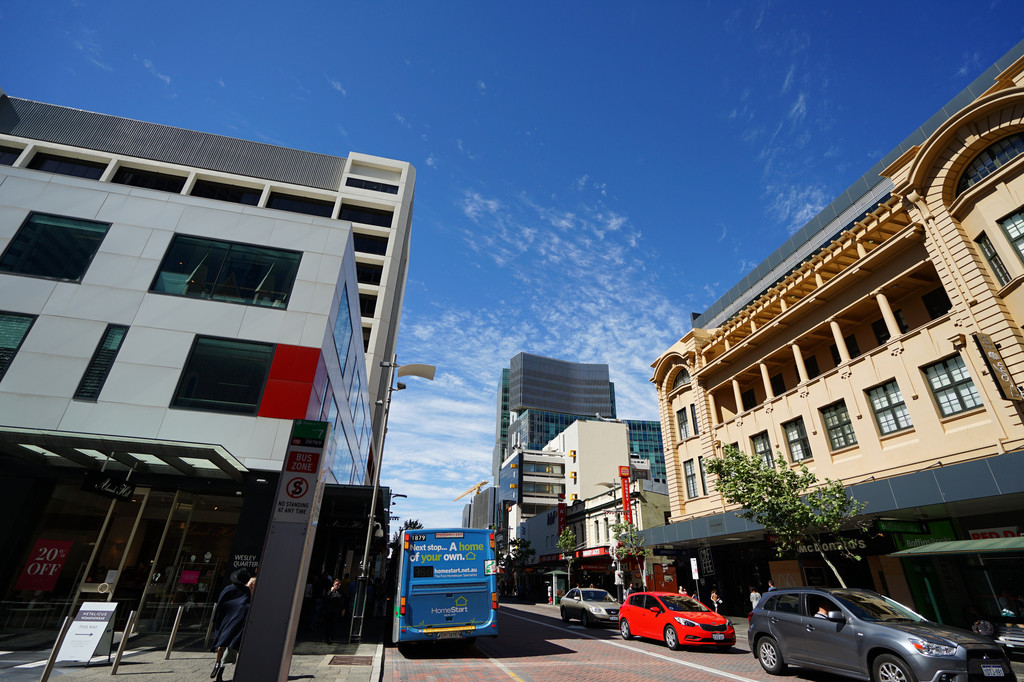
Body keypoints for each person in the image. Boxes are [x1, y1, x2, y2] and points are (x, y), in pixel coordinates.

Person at [211, 568, 254, 681]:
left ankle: (217, 663)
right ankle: (220, 670)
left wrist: (216, 621)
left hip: (225, 620)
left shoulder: (228, 589)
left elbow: (220, 605)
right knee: (230, 645)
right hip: (237, 621)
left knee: (221, 643)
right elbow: (246, 605)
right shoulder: (246, 591)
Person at [323, 578, 346, 644]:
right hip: (329, 610)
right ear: (333, 584)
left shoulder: (341, 592)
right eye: (336, 584)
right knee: (328, 625)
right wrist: (331, 591)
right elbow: (326, 599)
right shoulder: (330, 591)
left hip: (337, 610)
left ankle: (331, 637)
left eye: (338, 585)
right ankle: (327, 638)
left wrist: (343, 609)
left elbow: (343, 601)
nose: (337, 586)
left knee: (333, 625)